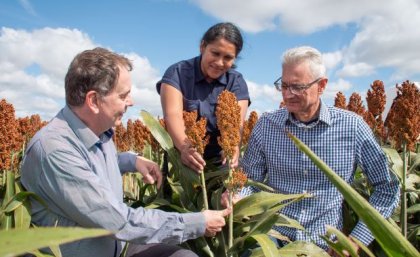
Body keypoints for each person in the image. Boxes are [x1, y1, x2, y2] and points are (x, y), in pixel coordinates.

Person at [20, 47, 231, 257]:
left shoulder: (97, 132)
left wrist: (131, 161)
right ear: (93, 101)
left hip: (117, 246)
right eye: (124, 95)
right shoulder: (54, 150)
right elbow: (118, 221)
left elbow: (93, 164)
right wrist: (196, 223)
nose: (131, 102)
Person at [223, 46, 400, 254]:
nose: (288, 94)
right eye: (284, 85)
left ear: (322, 85)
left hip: (326, 243)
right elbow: (249, 180)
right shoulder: (267, 125)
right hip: (272, 238)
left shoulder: (352, 127)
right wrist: (237, 195)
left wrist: (355, 240)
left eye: (297, 87)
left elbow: (387, 188)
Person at [156, 22, 250, 173]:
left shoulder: (236, 82)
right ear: (202, 47)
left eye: (228, 57)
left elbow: (235, 125)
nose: (219, 62)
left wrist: (232, 148)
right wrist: (185, 148)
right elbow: (172, 115)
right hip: (182, 161)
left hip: (219, 164)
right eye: (215, 53)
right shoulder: (177, 73)